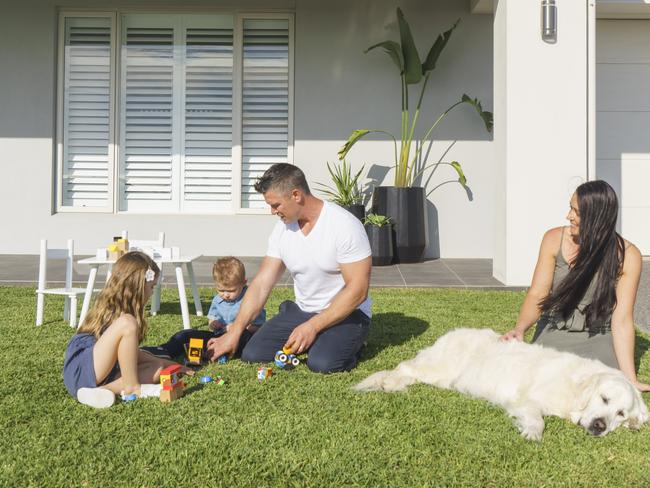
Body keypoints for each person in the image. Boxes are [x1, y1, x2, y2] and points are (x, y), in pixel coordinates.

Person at [206, 163, 372, 373]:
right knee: (253, 354)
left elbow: (358, 290)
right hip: (303, 311)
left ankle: (348, 343)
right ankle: (301, 323)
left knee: (322, 363)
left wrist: (313, 326)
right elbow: (261, 284)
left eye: (276, 205)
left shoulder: (344, 226)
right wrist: (235, 331)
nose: (272, 212)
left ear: (296, 195)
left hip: (348, 313)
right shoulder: (282, 230)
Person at [501, 180, 650, 391]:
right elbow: (537, 294)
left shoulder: (628, 255)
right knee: (538, 378)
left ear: (596, 218)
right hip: (556, 328)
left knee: (600, 383)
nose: (568, 216)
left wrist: (631, 378)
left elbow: (622, 318)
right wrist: (520, 329)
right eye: (570, 208)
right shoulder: (553, 239)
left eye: (576, 211)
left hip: (597, 335)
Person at [63, 251, 192, 409]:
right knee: (127, 323)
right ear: (138, 286)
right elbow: (123, 350)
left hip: (97, 377)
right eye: (151, 287)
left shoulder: (126, 314)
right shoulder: (117, 314)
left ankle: (98, 392)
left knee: (156, 369)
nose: (152, 292)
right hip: (83, 367)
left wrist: (167, 364)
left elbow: (132, 355)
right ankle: (133, 388)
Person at [142, 256, 265, 360]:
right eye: (221, 290)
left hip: (242, 339)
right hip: (218, 337)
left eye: (231, 290)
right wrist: (213, 324)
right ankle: (163, 351)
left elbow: (259, 328)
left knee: (244, 336)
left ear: (243, 283)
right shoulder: (218, 300)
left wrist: (237, 328)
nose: (226, 294)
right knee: (185, 335)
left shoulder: (250, 299)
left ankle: (214, 352)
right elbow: (211, 321)